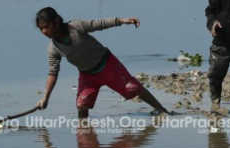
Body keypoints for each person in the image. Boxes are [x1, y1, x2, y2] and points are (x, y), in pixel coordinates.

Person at [35, 7, 169, 119]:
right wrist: (45, 98)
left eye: (46, 27)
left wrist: (122, 20)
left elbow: (99, 24)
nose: (44, 32)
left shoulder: (75, 27)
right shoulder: (53, 49)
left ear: (57, 21)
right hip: (87, 75)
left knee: (132, 88)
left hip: (108, 65)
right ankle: (84, 134)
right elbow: (53, 72)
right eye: (41, 29)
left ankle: (162, 110)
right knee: (82, 104)